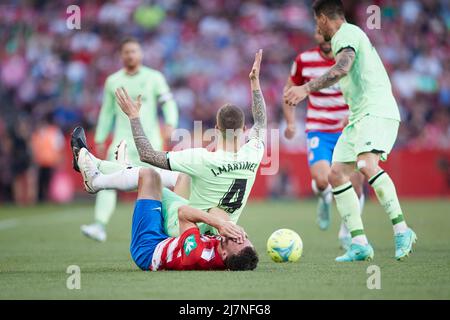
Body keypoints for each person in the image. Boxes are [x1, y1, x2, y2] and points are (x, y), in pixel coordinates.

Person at [72, 50, 266, 238]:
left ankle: (100, 180)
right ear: (244, 129)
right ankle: (101, 165)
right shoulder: (253, 152)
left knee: (148, 177)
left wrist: (133, 117)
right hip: (218, 227)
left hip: (182, 228)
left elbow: (147, 155)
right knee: (183, 176)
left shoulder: (202, 158)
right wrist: (255, 82)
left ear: (216, 128)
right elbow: (261, 121)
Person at [284, 0, 417, 261]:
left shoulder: (347, 34)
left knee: (367, 165)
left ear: (322, 18)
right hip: (358, 117)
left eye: (315, 21)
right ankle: (358, 243)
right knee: (336, 175)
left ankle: (403, 230)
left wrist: (305, 89)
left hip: (376, 111)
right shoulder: (343, 39)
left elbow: (342, 68)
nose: (316, 26)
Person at [77, 149, 258, 271]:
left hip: (149, 247)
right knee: (182, 179)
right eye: (244, 238)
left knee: (149, 177)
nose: (238, 235)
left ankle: (96, 182)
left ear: (225, 254)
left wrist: (219, 223)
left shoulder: (197, 255)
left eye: (236, 240)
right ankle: (127, 169)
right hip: (171, 238)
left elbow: (184, 214)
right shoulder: (226, 253)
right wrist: (224, 223)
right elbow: (218, 212)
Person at [81, 37, 179, 242]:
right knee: (104, 180)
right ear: (121, 55)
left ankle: (164, 229)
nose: (130, 55)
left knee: (156, 186)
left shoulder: (154, 77)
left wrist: (171, 122)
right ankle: (99, 225)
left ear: (141, 54)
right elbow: (107, 112)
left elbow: (168, 102)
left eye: (134, 51)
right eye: (127, 52)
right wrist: (99, 137)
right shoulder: (113, 81)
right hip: (121, 143)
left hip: (149, 144)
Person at [283, 28, 364, 249]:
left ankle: (347, 232)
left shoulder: (349, 58)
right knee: (321, 180)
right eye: (320, 33)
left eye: (328, 34)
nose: (324, 38)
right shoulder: (304, 60)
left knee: (356, 185)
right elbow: (288, 91)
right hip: (318, 130)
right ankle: (324, 198)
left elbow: (364, 90)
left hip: (348, 131)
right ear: (316, 36)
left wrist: (354, 112)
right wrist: (290, 122)